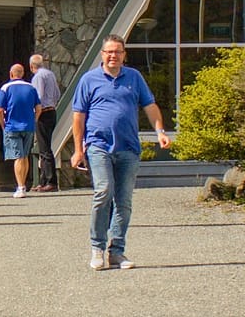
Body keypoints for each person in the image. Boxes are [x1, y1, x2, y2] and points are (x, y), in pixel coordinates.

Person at [69, 35, 170, 269]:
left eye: (118, 52)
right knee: (103, 191)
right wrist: (77, 149)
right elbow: (78, 117)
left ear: (124, 55)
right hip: (98, 145)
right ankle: (97, 248)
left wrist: (160, 131)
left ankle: (117, 251)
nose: (113, 55)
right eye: (109, 52)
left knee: (123, 200)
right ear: (102, 54)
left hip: (128, 148)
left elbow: (150, 106)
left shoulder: (134, 78)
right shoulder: (89, 79)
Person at [0, 64, 42, 198]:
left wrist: (3, 125)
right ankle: (23, 184)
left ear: (11, 74)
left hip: (12, 126)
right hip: (28, 126)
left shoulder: (5, 88)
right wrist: (34, 121)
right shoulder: (31, 87)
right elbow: (38, 108)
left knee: (18, 157)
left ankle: (20, 187)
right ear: (23, 73)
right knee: (25, 156)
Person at [29, 53, 61, 191]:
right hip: (52, 111)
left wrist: (35, 114)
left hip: (43, 113)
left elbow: (38, 97)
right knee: (45, 146)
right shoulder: (50, 74)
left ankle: (50, 181)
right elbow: (58, 94)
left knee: (44, 148)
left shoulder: (38, 77)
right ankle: (43, 180)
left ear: (31, 66)